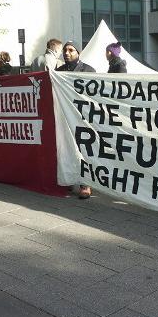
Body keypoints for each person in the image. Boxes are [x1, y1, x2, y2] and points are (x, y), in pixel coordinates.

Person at [56, 41, 95, 199]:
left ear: (78, 52)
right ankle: (69, 179)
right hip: (65, 117)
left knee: (83, 150)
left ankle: (85, 184)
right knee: (67, 149)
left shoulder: (89, 70)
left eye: (71, 50)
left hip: (82, 117)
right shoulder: (59, 71)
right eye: (65, 50)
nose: (67, 53)